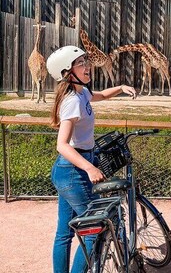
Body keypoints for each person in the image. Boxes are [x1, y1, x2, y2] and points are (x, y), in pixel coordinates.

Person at [47, 45, 137, 273]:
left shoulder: (82, 93)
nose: (88, 67)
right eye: (81, 63)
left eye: (86, 61)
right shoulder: (72, 101)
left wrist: (120, 87)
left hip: (69, 170)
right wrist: (89, 168)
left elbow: (101, 95)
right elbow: (62, 145)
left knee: (64, 233)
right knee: (95, 229)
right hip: (72, 171)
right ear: (68, 72)